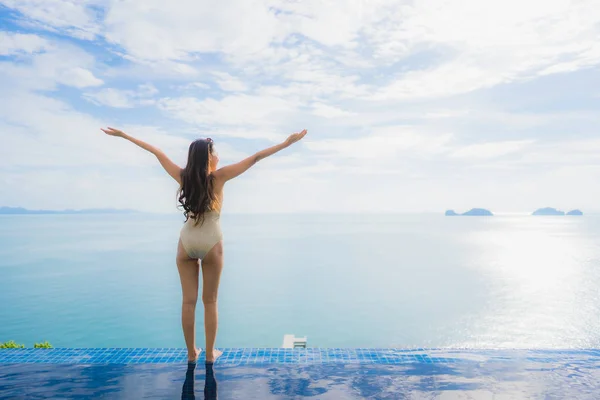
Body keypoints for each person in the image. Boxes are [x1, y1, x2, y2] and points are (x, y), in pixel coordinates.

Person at [101, 127, 308, 363]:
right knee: (210, 301)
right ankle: (210, 354)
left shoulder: (182, 176)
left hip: (187, 241)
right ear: (209, 157)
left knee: (188, 302)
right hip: (211, 240)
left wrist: (125, 136)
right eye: (216, 152)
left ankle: (191, 353)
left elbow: (156, 152)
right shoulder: (219, 177)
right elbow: (256, 158)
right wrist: (286, 143)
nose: (218, 156)